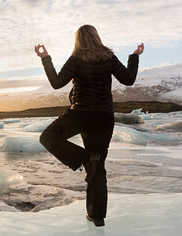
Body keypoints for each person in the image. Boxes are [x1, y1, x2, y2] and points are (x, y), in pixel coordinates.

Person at [34, 24, 144, 227]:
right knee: (98, 166)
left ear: (78, 40)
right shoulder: (108, 57)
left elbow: (57, 83)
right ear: (97, 37)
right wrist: (135, 55)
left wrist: (45, 58)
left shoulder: (77, 58)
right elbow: (128, 80)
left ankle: (86, 159)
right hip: (103, 118)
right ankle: (97, 216)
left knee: (47, 137)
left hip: (80, 115)